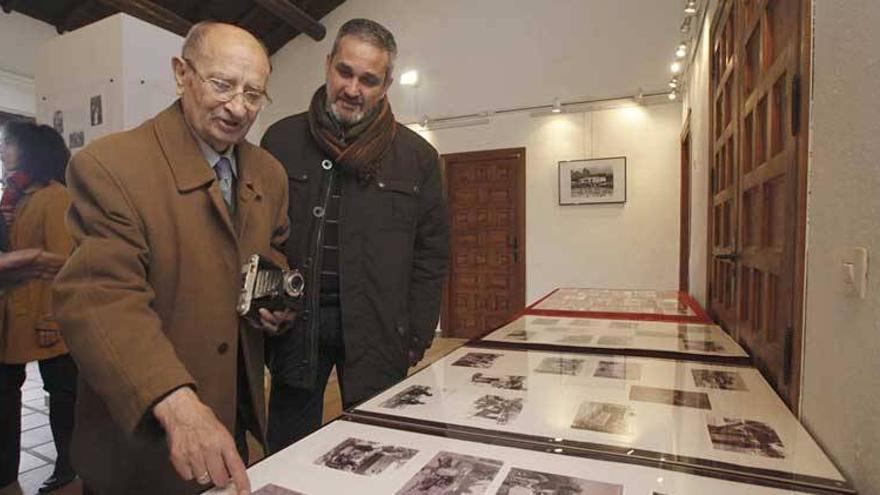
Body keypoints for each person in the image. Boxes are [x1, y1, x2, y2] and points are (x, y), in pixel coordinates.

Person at [52, 22, 291, 495]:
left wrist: (278, 301)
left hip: (231, 423)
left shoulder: (269, 171)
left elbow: (274, 251)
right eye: (221, 85)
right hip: (148, 436)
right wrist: (177, 404)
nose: (238, 107)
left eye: (254, 93)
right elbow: (101, 299)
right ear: (181, 74)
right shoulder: (111, 166)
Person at [261, 18, 449, 452]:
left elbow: (432, 253)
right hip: (296, 327)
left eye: (368, 79)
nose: (352, 88)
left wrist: (417, 335)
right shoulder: (280, 140)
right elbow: (259, 235)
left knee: (377, 449)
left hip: (379, 329)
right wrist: (266, 301)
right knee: (289, 448)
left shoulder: (417, 157)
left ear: (386, 84)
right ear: (328, 64)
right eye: (344, 72)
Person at [0, 122, 77, 493]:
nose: (2, 151)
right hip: (12, 315)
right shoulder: (14, 196)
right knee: (7, 396)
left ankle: (68, 465)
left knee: (62, 392)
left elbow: (61, 263)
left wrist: (51, 317)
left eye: (8, 144)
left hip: (46, 315)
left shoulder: (54, 196)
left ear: (30, 148)